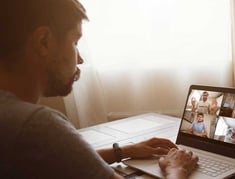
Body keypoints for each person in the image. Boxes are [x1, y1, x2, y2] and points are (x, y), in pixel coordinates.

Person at [0, 0, 198, 178]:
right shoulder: (37, 126)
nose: (80, 59)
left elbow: (64, 159)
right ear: (43, 41)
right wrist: (176, 169)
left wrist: (123, 151)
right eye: (75, 42)